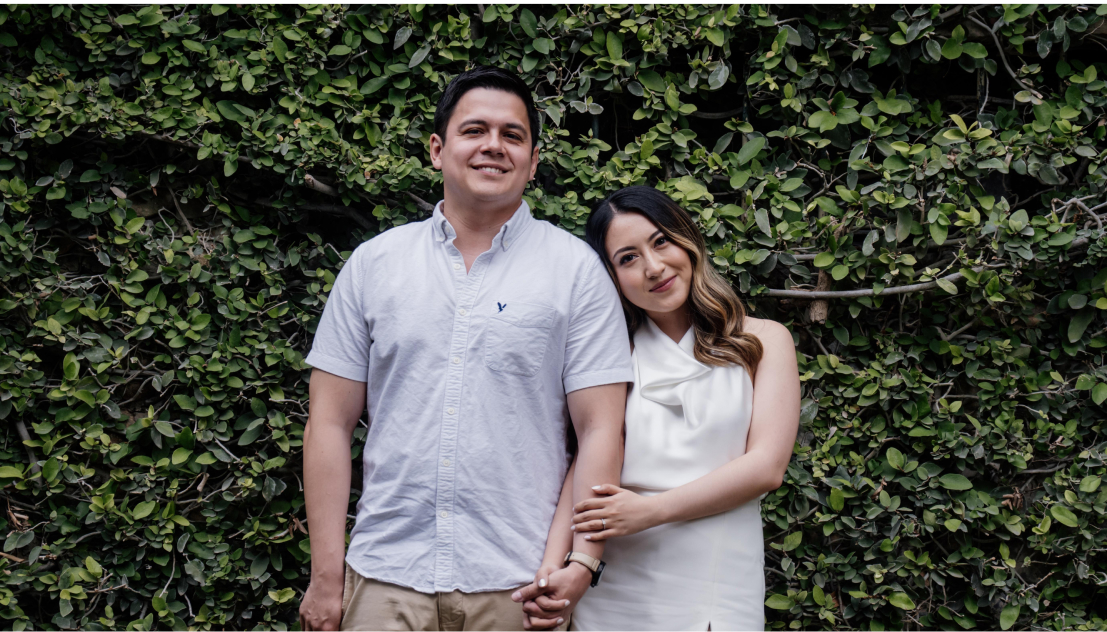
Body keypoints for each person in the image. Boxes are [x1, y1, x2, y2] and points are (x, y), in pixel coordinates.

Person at [297, 65, 634, 631]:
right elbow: (328, 423)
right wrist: (326, 576)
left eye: (513, 135)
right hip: (385, 576)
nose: (493, 147)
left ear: (532, 160)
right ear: (438, 148)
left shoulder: (576, 272)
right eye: (474, 130)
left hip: (520, 583)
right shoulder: (374, 266)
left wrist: (581, 561)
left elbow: (602, 429)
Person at [513, 186, 801, 630]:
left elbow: (766, 467)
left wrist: (650, 511)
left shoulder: (762, 340)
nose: (653, 267)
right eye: (627, 258)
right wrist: (556, 569)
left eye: (661, 241)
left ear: (686, 239)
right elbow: (584, 469)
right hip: (615, 596)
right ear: (611, 276)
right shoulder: (611, 355)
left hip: (716, 589)